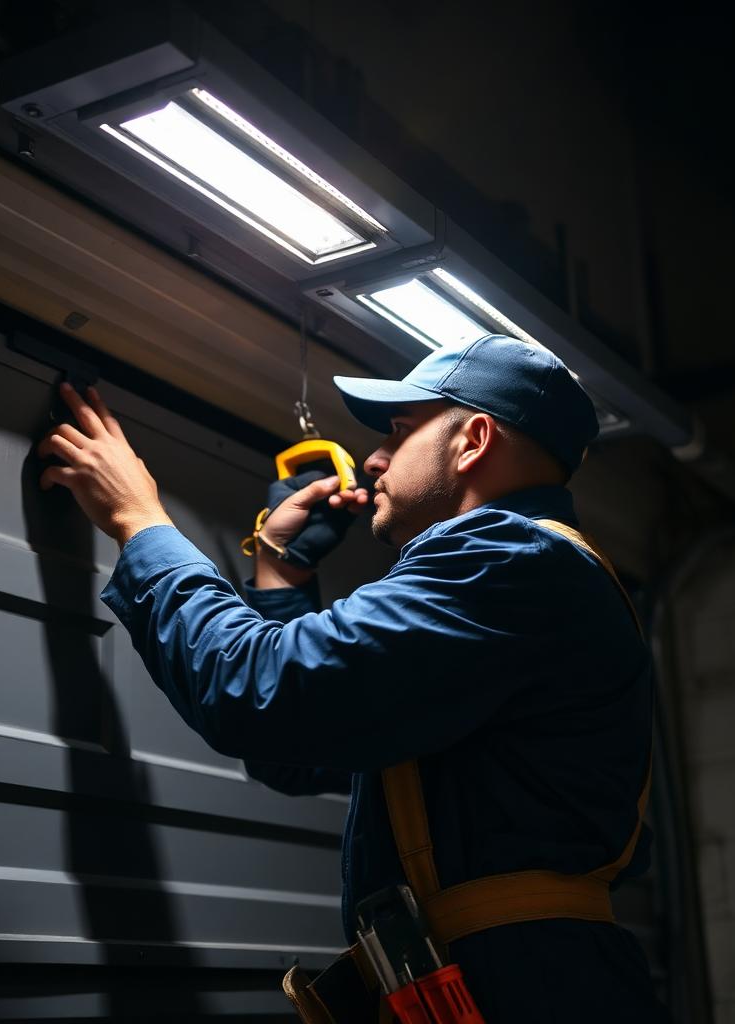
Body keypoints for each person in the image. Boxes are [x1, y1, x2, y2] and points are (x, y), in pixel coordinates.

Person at [37, 334, 666, 1022]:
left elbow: (262, 693)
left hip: (526, 987)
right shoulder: (520, 584)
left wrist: (141, 521)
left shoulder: (509, 560)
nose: (373, 459)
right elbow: (296, 751)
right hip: (523, 978)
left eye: (399, 432)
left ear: (473, 440)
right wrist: (282, 571)